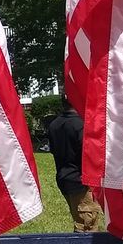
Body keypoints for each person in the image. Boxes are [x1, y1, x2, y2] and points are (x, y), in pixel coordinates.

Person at [46, 97, 102, 232]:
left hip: (64, 177)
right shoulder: (81, 125)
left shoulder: (54, 124)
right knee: (87, 226)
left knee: (80, 219)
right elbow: (89, 154)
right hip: (81, 180)